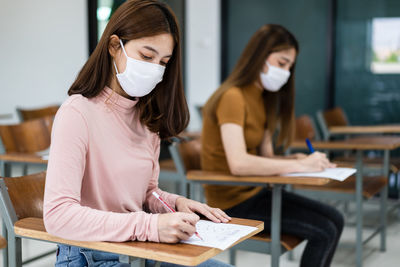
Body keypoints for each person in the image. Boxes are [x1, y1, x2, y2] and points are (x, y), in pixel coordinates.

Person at [43, 1, 232, 266]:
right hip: (89, 253)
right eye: (146, 56)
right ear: (113, 46)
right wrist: (151, 226)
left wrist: (175, 204)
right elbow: (58, 215)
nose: (155, 68)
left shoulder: (146, 116)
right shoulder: (77, 113)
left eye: (163, 61)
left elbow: (146, 192)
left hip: (138, 248)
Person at [201, 24, 344, 267]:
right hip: (232, 203)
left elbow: (266, 156)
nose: (286, 72)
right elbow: (239, 164)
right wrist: (303, 166)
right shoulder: (232, 96)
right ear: (260, 56)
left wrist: (297, 161)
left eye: (289, 66)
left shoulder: (263, 99)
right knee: (324, 230)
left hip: (256, 192)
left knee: (336, 219)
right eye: (281, 63)